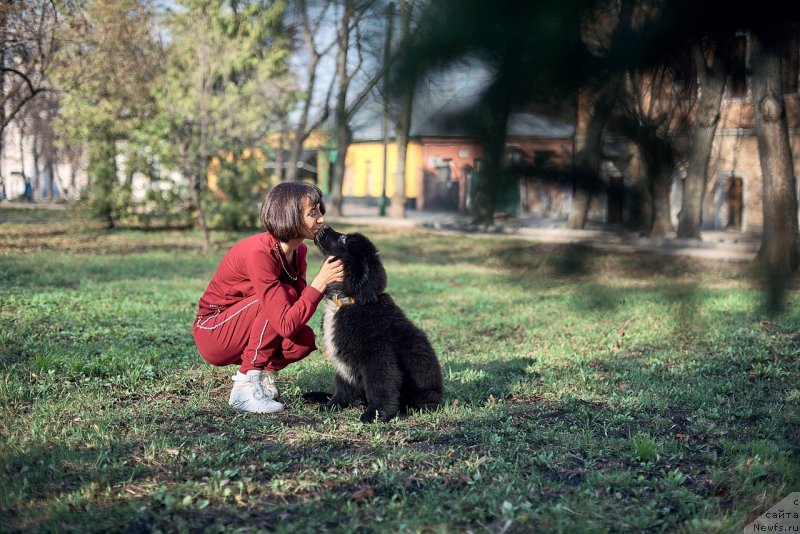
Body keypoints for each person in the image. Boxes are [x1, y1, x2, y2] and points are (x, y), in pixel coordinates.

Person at [192, 182, 344, 413]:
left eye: (320, 211)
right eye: (313, 213)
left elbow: (295, 316)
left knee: (301, 340)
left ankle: (260, 376)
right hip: (213, 332)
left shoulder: (299, 250)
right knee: (285, 295)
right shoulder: (259, 253)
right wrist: (320, 282)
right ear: (290, 216)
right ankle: (245, 386)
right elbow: (284, 319)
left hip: (244, 324)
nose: (321, 219)